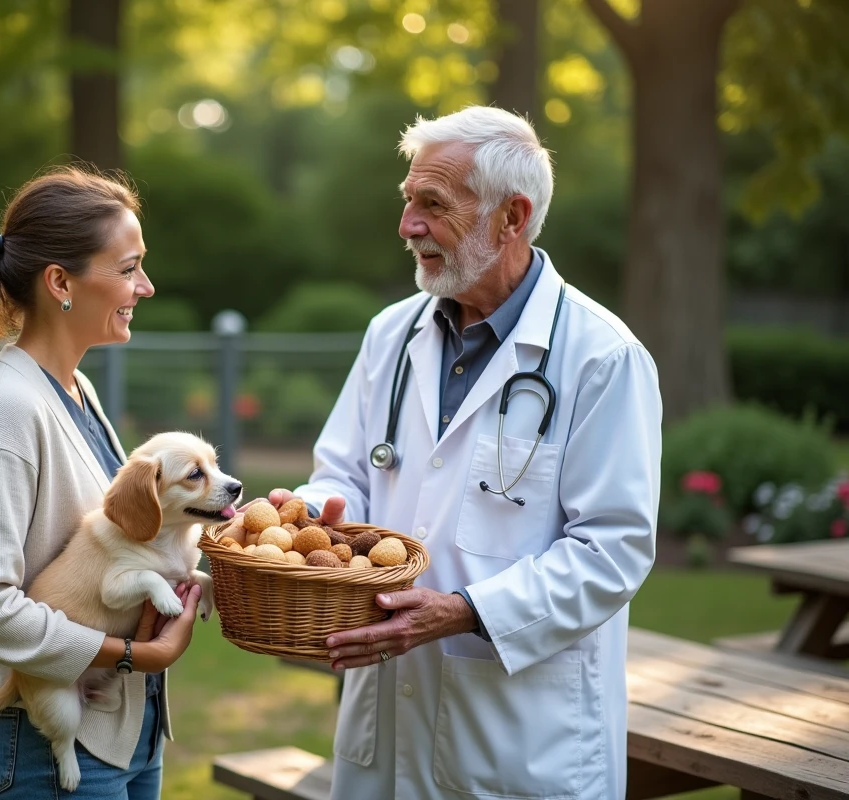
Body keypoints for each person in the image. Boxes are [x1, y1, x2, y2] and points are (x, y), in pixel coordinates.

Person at [269, 106, 662, 799]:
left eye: (433, 205)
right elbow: (347, 473)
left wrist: (469, 610)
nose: (407, 226)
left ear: (512, 218)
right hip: (385, 725)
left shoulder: (601, 357)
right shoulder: (392, 335)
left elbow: (613, 549)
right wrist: (307, 517)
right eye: (408, 202)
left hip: (519, 740)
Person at [0, 166, 202, 799]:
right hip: (53, 745)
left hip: (128, 730)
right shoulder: (9, 409)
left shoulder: (75, 388)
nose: (147, 286)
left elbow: (124, 536)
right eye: (129, 268)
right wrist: (132, 654)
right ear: (60, 282)